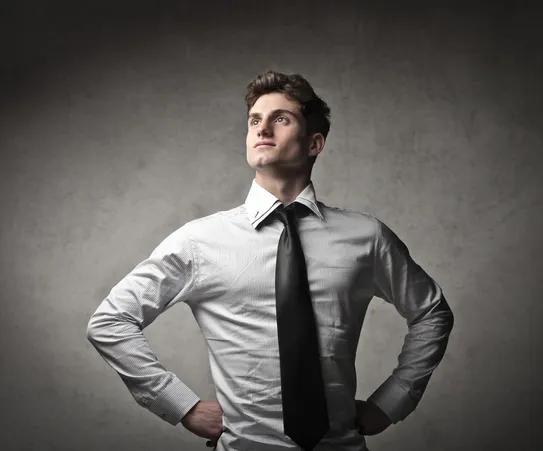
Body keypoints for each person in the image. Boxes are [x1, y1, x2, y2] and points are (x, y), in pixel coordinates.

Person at [86, 70, 455, 451]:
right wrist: (182, 406)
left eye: (281, 118)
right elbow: (110, 322)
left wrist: (391, 402)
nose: (263, 129)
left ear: (314, 143)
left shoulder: (367, 237)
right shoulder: (200, 241)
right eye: (254, 121)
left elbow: (432, 313)